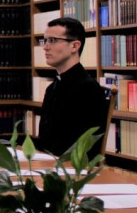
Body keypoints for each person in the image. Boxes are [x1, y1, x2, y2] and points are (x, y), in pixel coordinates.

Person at [37, 17, 108, 158]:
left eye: (52, 40)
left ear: (75, 46)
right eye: (45, 41)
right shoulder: (52, 88)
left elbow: (84, 147)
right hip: (48, 163)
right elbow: (45, 140)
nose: (45, 47)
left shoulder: (89, 90)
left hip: (71, 168)